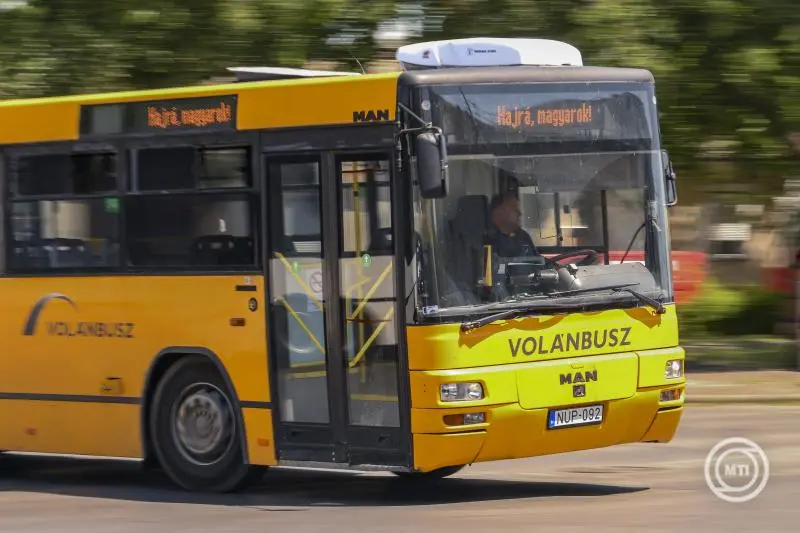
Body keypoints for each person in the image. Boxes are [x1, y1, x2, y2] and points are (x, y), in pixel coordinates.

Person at [486, 193, 538, 258]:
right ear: (499, 212)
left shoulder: (523, 236)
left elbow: (538, 263)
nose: (519, 213)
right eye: (514, 207)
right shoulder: (488, 240)